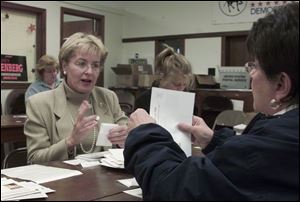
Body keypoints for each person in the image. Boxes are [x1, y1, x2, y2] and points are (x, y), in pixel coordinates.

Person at [124, 2, 299, 201]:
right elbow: (249, 165)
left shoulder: (277, 144)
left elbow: (173, 188)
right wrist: (214, 140)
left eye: (255, 65)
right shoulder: (284, 136)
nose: (250, 73)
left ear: (281, 84)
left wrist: (143, 135)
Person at [25, 32, 128, 164]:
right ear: (64, 66)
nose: (89, 71)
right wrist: (70, 142)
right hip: (63, 182)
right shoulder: (39, 104)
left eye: (95, 65)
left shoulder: (109, 97)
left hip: (106, 180)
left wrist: (125, 138)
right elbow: (34, 159)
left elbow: (129, 139)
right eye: (81, 63)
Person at [134, 44, 194, 113]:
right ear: (161, 77)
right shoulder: (144, 100)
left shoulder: (187, 101)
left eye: (184, 85)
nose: (181, 90)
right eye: (176, 84)